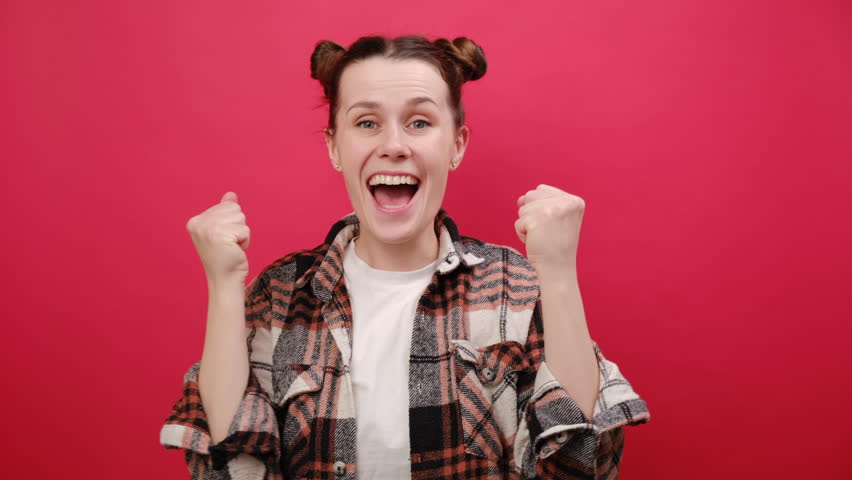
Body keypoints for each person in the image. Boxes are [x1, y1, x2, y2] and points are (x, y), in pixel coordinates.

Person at [159, 35, 650, 480]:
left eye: (419, 122)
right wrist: (223, 287)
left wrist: (559, 274)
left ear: (456, 144)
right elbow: (232, 469)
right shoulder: (280, 294)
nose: (393, 145)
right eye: (366, 123)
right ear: (334, 147)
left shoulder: (513, 287)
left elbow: (581, 468)